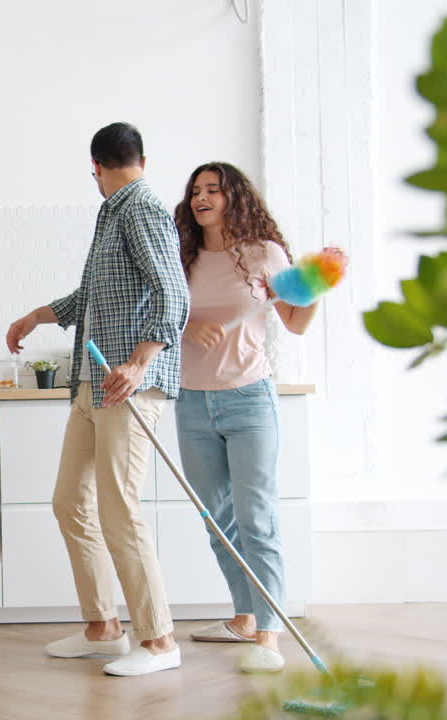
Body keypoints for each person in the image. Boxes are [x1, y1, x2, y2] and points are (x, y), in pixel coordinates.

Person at [6, 122, 189, 677]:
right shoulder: (114, 210)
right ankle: (104, 627)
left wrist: (139, 362)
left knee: (119, 509)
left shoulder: (141, 209)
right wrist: (38, 315)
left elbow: (173, 292)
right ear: (141, 158)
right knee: (70, 501)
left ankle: (158, 640)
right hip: (93, 381)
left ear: (96, 167)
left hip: (126, 385)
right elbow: (96, 292)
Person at [172, 161, 326, 673]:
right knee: (217, 521)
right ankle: (243, 617)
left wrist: (316, 283)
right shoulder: (181, 256)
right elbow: (163, 316)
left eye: (213, 190)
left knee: (257, 519)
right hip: (192, 401)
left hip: (248, 399)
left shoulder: (263, 254)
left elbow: (296, 323)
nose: (202, 198)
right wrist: (189, 325)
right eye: (196, 190)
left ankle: (269, 633)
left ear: (235, 197)